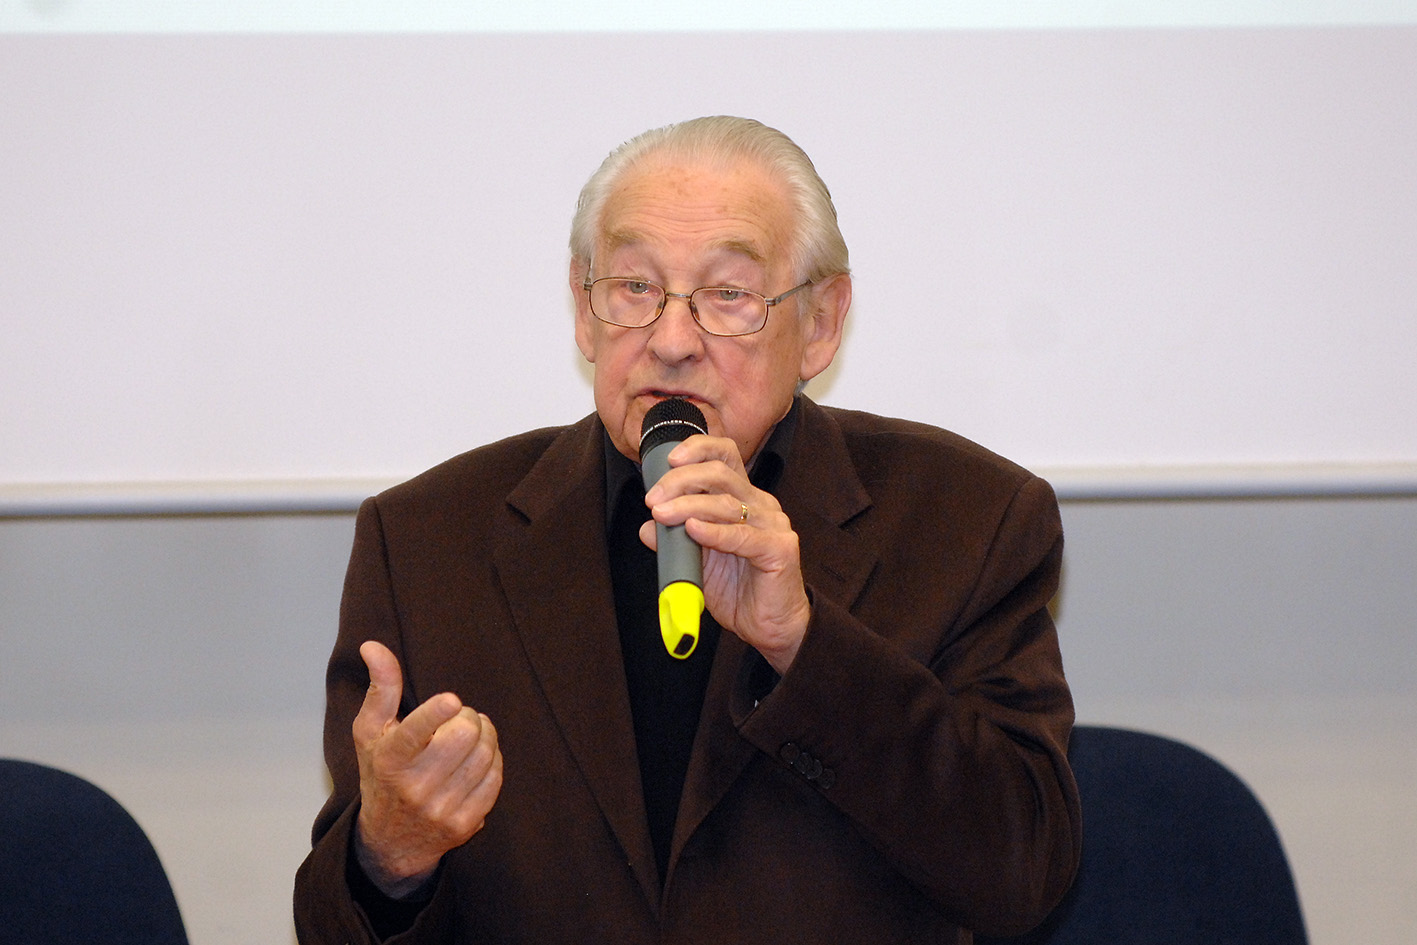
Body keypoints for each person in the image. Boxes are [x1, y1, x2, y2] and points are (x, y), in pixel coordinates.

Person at [294, 115, 1080, 944]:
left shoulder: (966, 520)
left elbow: (1022, 873)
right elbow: (328, 927)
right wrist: (388, 857)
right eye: (633, 287)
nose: (671, 342)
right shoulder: (426, 539)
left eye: (728, 295)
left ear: (819, 321)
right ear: (583, 310)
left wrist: (804, 645)